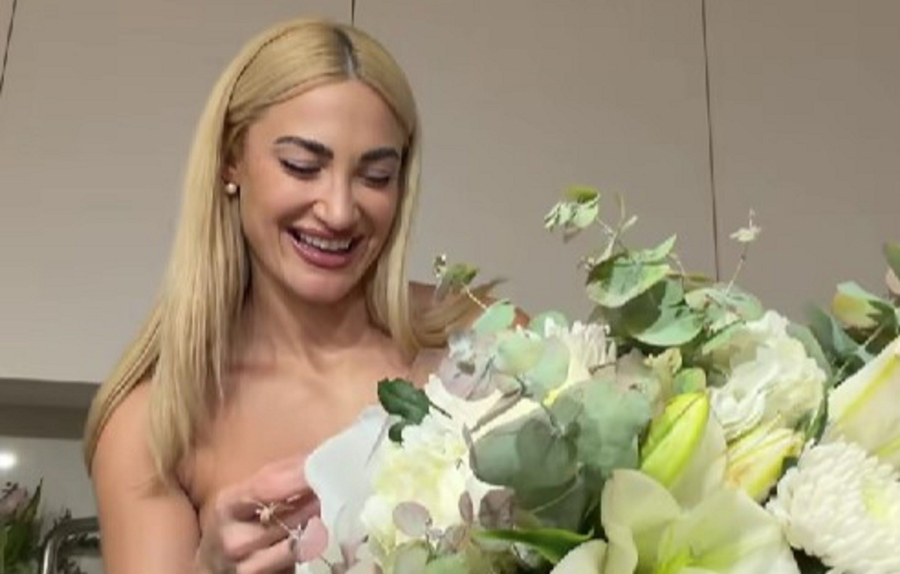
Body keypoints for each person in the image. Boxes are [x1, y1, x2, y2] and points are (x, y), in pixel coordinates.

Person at [83, 18, 488, 573]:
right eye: (302, 166)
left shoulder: (482, 345)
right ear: (231, 159)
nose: (339, 211)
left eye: (375, 176)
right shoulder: (155, 424)